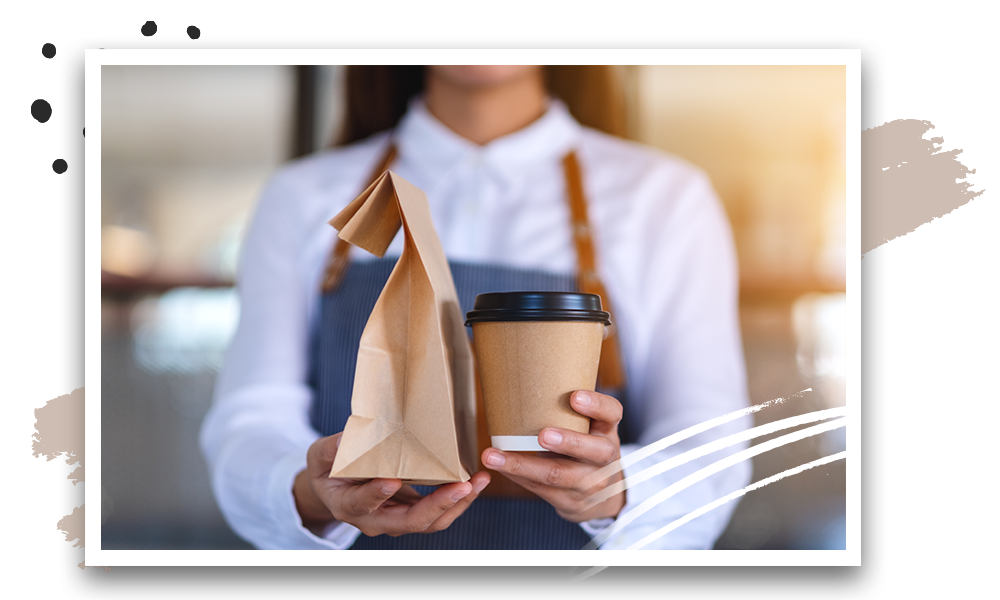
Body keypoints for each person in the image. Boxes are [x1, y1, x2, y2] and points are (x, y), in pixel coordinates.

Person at [199, 65, 753, 550]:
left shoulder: (664, 198)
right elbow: (251, 419)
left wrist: (619, 490)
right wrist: (309, 491)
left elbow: (709, 446)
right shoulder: (302, 196)